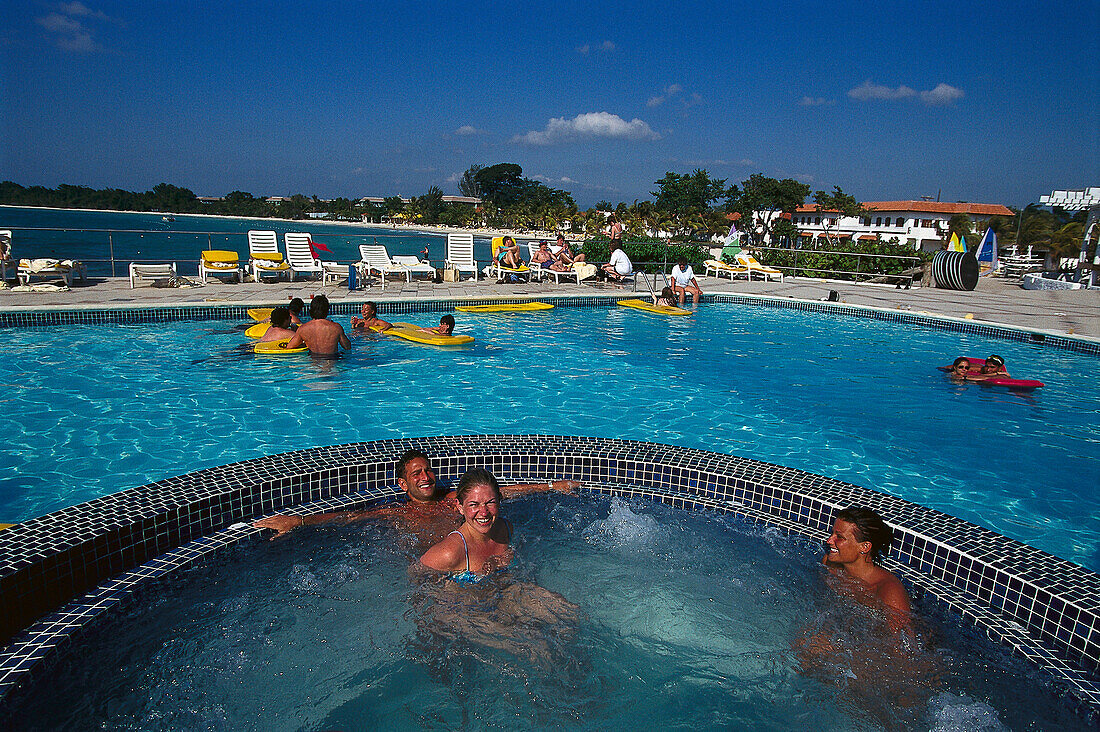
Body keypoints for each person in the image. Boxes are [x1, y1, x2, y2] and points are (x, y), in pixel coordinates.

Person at [252, 448, 578, 541]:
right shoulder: (399, 512)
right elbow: (350, 516)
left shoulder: (453, 498)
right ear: (403, 484)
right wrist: (299, 520)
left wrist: (553, 486)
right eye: (416, 474)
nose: (425, 477)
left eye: (427, 470)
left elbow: (502, 493)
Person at [419, 468, 512, 583]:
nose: (484, 512)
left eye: (490, 502)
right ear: (460, 507)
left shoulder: (506, 528)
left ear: (499, 501)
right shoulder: (450, 552)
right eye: (474, 504)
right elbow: (416, 573)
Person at [823, 507, 911, 622]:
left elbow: (900, 638)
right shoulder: (830, 565)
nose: (829, 541)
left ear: (865, 547)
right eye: (832, 533)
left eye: (839, 537)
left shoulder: (889, 591)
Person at [286, 294, 351, 357]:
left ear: (311, 310)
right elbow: (347, 347)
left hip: (313, 363)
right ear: (327, 311)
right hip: (332, 362)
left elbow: (290, 347)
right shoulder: (336, 327)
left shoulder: (303, 328)